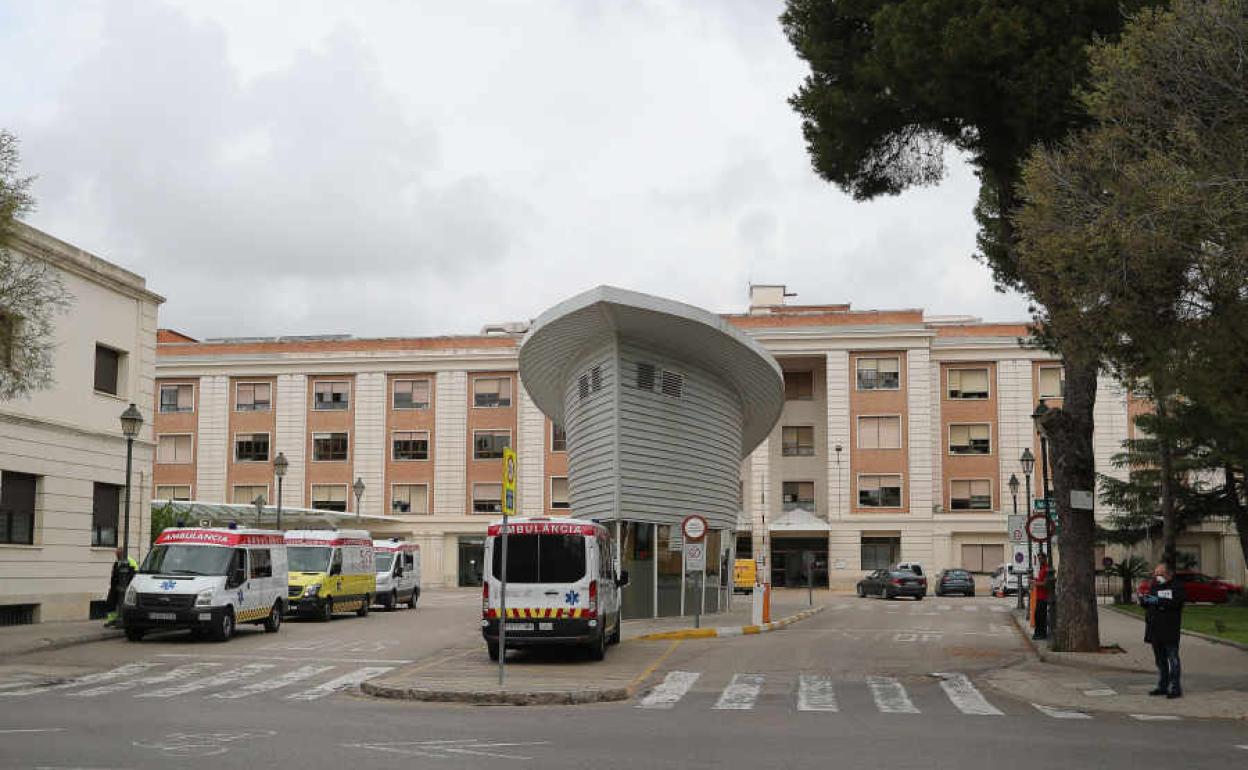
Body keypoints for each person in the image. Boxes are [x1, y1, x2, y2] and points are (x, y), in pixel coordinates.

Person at [1142, 562, 1185, 698]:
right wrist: (1145, 600)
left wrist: (1156, 600)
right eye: (1156, 574)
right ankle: (1162, 686)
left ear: (1169, 574)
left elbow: (1175, 603)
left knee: (1173, 659)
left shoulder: (1177, 586)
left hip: (1169, 628)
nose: (1157, 577)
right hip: (1155, 629)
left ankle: (1175, 687)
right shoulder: (1155, 585)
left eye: (1160, 574)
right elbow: (1150, 601)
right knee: (1160, 660)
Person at [105, 548, 138, 626]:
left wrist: (124, 586)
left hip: (125, 587)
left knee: (123, 604)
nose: (117, 556)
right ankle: (112, 620)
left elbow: (132, 576)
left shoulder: (130, 562)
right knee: (111, 602)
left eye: (118, 554)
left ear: (123, 554)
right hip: (115, 587)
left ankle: (123, 620)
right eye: (116, 554)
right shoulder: (117, 562)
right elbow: (114, 575)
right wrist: (113, 586)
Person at [1032, 553, 1051, 640]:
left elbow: (1045, 583)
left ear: (1045, 559)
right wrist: (1034, 580)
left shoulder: (1046, 569)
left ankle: (1042, 634)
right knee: (1037, 615)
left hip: (1044, 597)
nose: (1039, 560)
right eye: (1039, 559)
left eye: (1041, 559)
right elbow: (1040, 580)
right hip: (1039, 596)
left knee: (1041, 616)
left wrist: (1034, 583)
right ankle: (1038, 633)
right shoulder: (1041, 569)